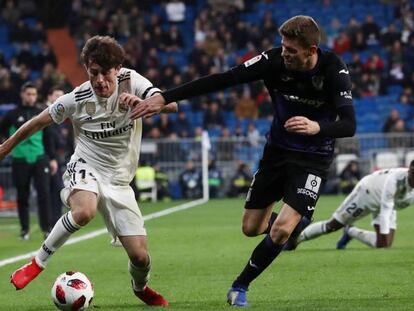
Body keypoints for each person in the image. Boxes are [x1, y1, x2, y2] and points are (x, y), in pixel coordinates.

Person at [128, 15, 356, 307]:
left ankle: (240, 285)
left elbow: (349, 124)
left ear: (311, 51)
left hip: (314, 158)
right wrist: (165, 97)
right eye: (283, 46)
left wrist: (317, 127)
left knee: (281, 229)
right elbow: (224, 79)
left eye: (291, 50)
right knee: (251, 228)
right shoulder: (272, 61)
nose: (284, 53)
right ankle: (293, 227)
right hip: (277, 152)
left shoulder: (334, 68)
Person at [3, 36, 178, 306]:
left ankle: (140, 287)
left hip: (119, 181)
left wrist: (143, 104)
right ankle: (37, 263)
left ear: (117, 69)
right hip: (86, 165)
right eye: (93, 73)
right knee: (84, 211)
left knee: (140, 257)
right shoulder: (77, 98)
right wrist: (4, 148)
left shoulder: (133, 81)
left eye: (105, 73)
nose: (99, 81)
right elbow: (37, 122)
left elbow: (171, 104)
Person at [294, 162, 414, 250]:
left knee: (384, 244)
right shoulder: (394, 180)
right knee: (333, 225)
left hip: (387, 203)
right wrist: (385, 245)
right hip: (368, 192)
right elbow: (385, 211)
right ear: (409, 171)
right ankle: (296, 239)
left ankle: (350, 231)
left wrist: (384, 245)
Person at [0, 82, 54, 240]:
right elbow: (2, 130)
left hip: (40, 158)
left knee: (44, 194)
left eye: (34, 94)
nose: (31, 97)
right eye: (28, 94)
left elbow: (49, 137)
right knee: (22, 196)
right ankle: (25, 230)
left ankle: (47, 229)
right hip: (20, 160)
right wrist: (7, 149)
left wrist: (52, 159)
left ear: (36, 96)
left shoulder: (42, 112)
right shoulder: (12, 114)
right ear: (22, 94)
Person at [44, 86, 66, 226]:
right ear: (49, 96)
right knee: (53, 190)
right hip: (47, 158)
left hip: (54, 158)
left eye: (62, 96)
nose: (60, 99)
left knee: (55, 190)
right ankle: (52, 222)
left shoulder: (58, 115)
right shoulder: (46, 114)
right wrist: (52, 158)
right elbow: (48, 138)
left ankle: (54, 221)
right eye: (57, 95)